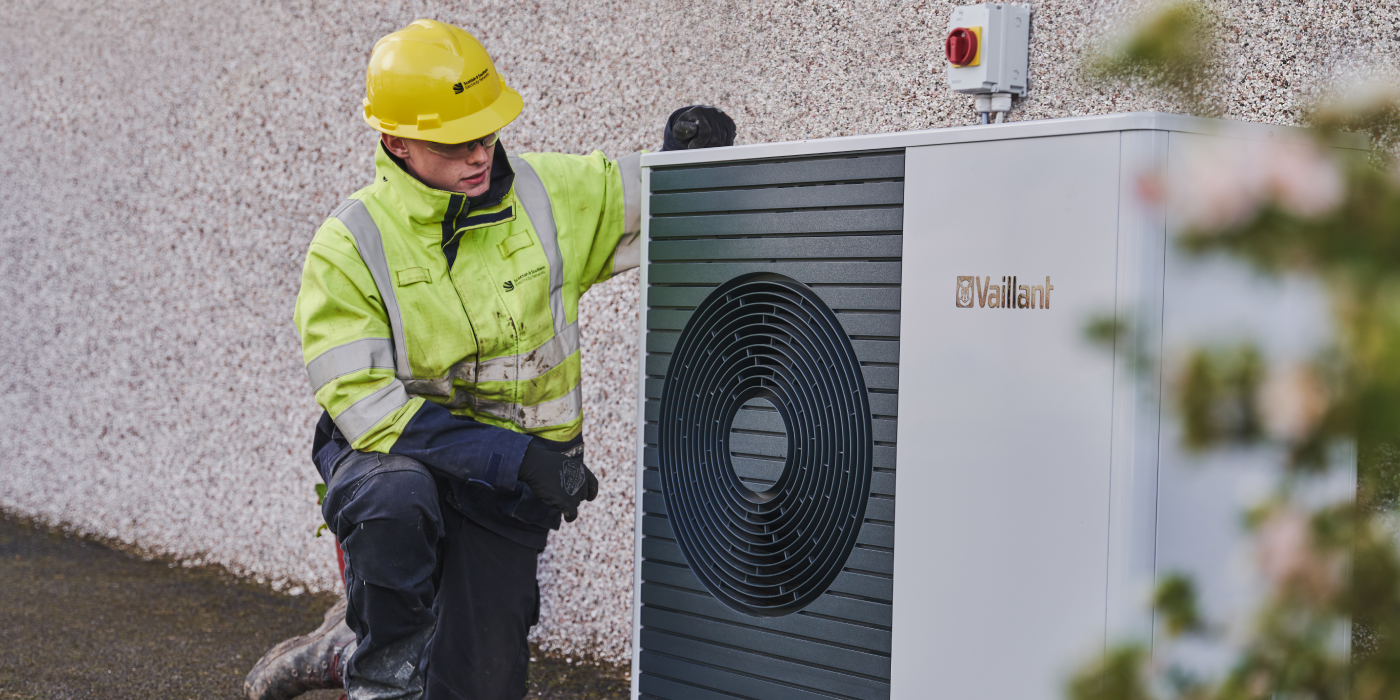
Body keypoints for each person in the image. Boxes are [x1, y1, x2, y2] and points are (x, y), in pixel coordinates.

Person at [242, 19, 734, 700]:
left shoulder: (545, 193)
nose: (478, 152)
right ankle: (379, 669)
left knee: (477, 685)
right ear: (396, 142)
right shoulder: (349, 246)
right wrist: (520, 458)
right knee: (395, 503)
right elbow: (366, 409)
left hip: (503, 495)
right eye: (453, 141)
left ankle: (350, 640)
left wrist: (688, 156)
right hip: (395, 462)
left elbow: (650, 197)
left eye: (486, 130)